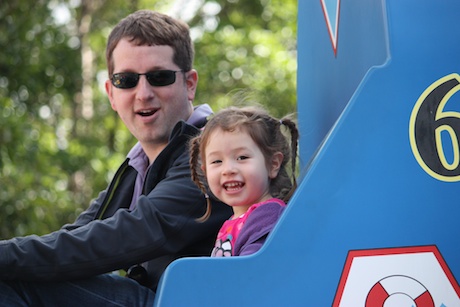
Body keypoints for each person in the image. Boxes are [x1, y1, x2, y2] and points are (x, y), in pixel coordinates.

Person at [0, 10, 232, 306]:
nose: (143, 93)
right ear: (111, 93)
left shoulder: (215, 154)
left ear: (189, 84)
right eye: (127, 80)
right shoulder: (138, 167)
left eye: (159, 77)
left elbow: (130, 234)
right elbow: (79, 236)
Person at [189, 105, 299, 257]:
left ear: (273, 164)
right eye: (217, 161)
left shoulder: (267, 216)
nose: (228, 169)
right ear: (205, 171)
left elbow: (250, 270)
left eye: (242, 158)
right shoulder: (233, 221)